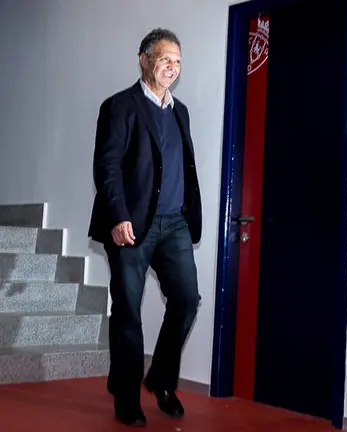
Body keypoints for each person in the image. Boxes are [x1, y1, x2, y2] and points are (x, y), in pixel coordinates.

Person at [88, 28, 203, 427]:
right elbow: (107, 166)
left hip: (174, 224)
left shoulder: (180, 111)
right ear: (144, 59)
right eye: (164, 58)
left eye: (177, 61)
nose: (171, 66)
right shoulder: (120, 106)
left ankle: (161, 379)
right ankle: (125, 393)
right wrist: (118, 215)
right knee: (128, 312)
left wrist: (188, 214)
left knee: (187, 299)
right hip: (130, 225)